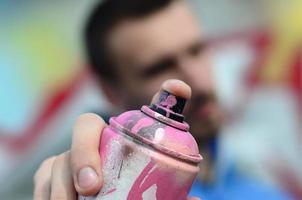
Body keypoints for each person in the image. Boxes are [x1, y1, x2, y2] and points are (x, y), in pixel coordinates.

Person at [33, 0, 293, 199]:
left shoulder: (260, 176)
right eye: (159, 67)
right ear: (110, 90)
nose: (197, 83)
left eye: (196, 50)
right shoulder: (108, 186)